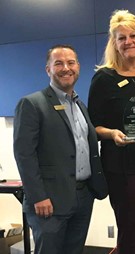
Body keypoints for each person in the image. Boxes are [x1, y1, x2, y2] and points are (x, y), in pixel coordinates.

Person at [13, 44, 108, 254]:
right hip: (49, 201)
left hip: (83, 196)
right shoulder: (32, 104)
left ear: (78, 67)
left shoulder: (80, 105)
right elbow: (24, 154)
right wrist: (38, 196)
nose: (66, 68)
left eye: (71, 62)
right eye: (59, 63)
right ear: (48, 69)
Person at [87, 10, 135, 254]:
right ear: (114, 43)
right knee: (131, 233)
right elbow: (92, 126)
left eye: (133, 35)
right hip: (123, 167)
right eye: (121, 38)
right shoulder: (104, 78)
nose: (128, 41)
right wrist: (112, 134)